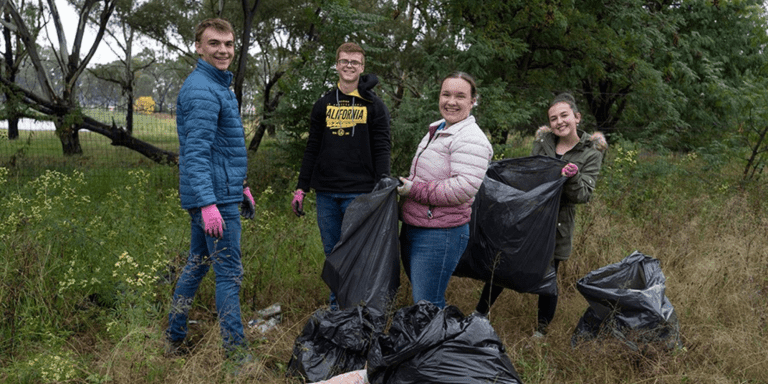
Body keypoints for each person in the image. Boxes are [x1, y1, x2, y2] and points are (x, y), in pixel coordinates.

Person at [474, 92, 604, 337]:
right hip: (529, 219)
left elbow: (583, 195)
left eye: (564, 115)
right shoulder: (543, 142)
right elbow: (531, 177)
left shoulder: (591, 153)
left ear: (577, 117)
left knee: (547, 276)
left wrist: (572, 177)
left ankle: (540, 333)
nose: (559, 122)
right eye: (553, 118)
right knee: (503, 264)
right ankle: (479, 314)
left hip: (557, 226)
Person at [165, 18, 256, 359]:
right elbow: (196, 154)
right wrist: (208, 204)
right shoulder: (202, 89)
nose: (223, 50)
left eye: (228, 44)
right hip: (214, 201)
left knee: (197, 264)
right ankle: (236, 356)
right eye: (214, 43)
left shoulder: (218, 85)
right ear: (199, 47)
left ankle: (174, 337)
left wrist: (242, 186)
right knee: (229, 274)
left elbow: (223, 148)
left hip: (221, 193)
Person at [291, 42, 391, 310]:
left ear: (362, 67)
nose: (349, 66)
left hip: (359, 193)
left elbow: (382, 147)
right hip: (326, 193)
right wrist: (301, 188)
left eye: (355, 62)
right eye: (344, 61)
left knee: (356, 256)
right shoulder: (323, 104)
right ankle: (337, 312)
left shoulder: (374, 106)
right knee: (332, 255)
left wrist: (383, 183)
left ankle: (355, 312)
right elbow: (312, 147)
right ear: (336, 65)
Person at [397, 71, 493, 309]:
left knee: (428, 302)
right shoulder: (437, 129)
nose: (451, 101)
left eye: (460, 96)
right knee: (424, 298)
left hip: (440, 233)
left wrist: (412, 190)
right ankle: (431, 340)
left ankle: (438, 344)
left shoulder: (472, 139)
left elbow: (463, 188)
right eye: (446, 94)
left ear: (473, 101)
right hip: (416, 225)